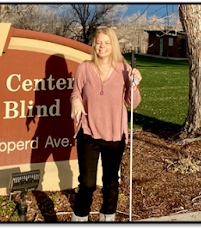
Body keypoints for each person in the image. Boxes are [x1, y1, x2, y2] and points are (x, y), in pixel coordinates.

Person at [70, 28, 142, 222]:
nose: (102, 46)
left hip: (115, 133)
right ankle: (79, 218)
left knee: (111, 182)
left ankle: (107, 218)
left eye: (106, 43)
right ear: (94, 45)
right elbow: (76, 92)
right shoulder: (84, 67)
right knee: (87, 183)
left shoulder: (124, 69)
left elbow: (132, 103)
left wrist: (134, 85)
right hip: (89, 132)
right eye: (98, 42)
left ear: (114, 46)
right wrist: (76, 100)